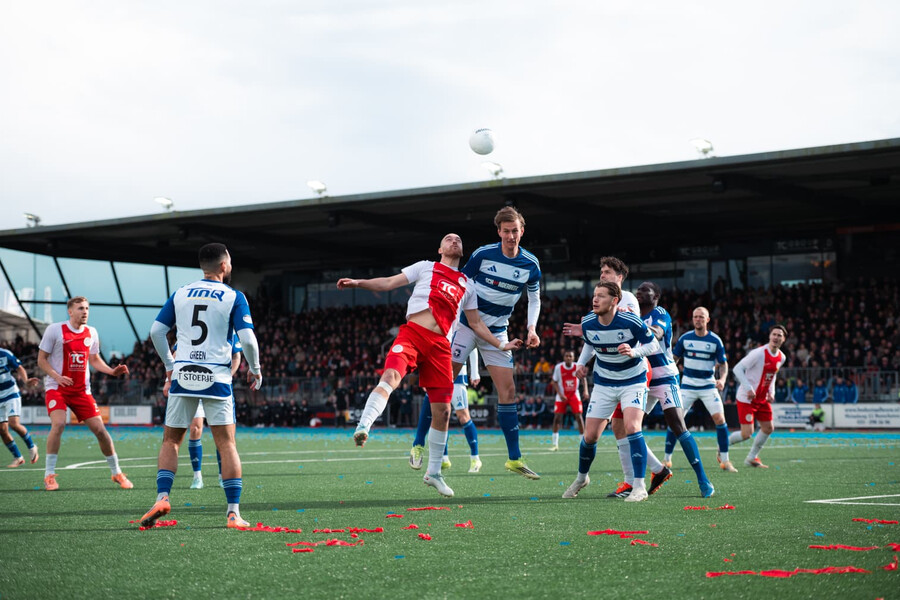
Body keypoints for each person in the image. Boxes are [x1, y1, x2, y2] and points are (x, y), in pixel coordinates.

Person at [340, 233, 522, 498]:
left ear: (462, 251)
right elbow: (389, 282)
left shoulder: (467, 285)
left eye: (459, 240)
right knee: (390, 376)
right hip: (413, 334)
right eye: (449, 239)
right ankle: (364, 425)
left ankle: (434, 473)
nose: (454, 241)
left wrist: (501, 344)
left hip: (440, 347)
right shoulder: (425, 267)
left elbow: (476, 324)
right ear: (440, 249)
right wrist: (358, 283)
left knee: (444, 411)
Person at [140, 243, 263, 529]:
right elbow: (247, 340)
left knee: (171, 441)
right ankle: (233, 513)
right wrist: (255, 369)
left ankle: (162, 497)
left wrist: (170, 366)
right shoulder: (234, 296)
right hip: (216, 377)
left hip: (183, 375)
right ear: (224, 265)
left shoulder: (181, 293)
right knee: (226, 444)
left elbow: (157, 331)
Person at [562, 257, 670, 498]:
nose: (595, 298)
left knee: (631, 427)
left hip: (634, 377)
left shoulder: (629, 306)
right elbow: (592, 338)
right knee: (592, 435)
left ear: (615, 299)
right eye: (595, 294)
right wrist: (581, 364)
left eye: (607, 273)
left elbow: (650, 343)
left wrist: (634, 351)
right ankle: (583, 478)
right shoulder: (590, 319)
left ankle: (638, 485)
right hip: (605, 380)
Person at [449, 207, 542, 479]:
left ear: (522, 231)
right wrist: (450, 324)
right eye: (506, 231)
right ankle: (422, 445)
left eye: (515, 231)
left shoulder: (530, 264)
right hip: (467, 326)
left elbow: (534, 298)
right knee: (442, 383)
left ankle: (514, 459)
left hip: (498, 331)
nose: (511, 236)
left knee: (508, 392)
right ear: (499, 231)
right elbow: (460, 286)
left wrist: (532, 328)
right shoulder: (482, 254)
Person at [37, 296, 133, 491]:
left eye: (87, 308)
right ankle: (49, 475)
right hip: (57, 388)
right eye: (80, 308)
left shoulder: (92, 332)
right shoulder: (55, 330)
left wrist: (111, 371)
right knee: (59, 424)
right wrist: (57, 376)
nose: (85, 312)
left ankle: (116, 472)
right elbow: (41, 359)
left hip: (81, 391)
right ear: (70, 311)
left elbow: (94, 359)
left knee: (101, 431)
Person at [636, 283, 715, 497]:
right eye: (638, 289)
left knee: (678, 426)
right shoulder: (633, 315)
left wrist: (633, 325)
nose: (639, 292)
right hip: (641, 378)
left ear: (656, 296)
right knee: (628, 429)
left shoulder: (660, 313)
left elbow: (656, 333)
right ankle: (655, 471)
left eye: (645, 289)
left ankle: (703, 479)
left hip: (664, 377)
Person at [671, 306, 737, 473]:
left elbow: (723, 364)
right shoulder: (685, 338)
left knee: (720, 419)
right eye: (695, 317)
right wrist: (670, 374)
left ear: (707, 320)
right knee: (675, 419)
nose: (698, 319)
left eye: (701, 317)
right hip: (688, 386)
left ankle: (725, 460)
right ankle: (666, 459)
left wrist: (722, 379)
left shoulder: (715, 340)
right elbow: (674, 358)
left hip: (708, 386)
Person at [409, 349, 483, 474]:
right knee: (439, 415)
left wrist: (475, 372)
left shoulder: (459, 334)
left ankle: (475, 458)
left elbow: (472, 345)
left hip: (457, 377)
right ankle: (443, 458)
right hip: (438, 374)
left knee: (463, 417)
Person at [185, 336, 243, 489]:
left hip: (217, 387)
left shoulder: (228, 329)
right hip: (195, 385)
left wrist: (228, 375)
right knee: (195, 428)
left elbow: (236, 356)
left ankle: (222, 475)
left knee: (223, 434)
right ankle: (197, 477)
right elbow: (177, 352)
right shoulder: (191, 329)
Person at [728, 325, 788, 469]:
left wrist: (771, 392)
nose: (776, 337)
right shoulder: (758, 353)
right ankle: (723, 445)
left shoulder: (782, 357)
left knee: (768, 428)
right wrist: (748, 388)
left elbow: (772, 376)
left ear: (784, 339)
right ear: (769, 336)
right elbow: (737, 369)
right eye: (774, 334)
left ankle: (751, 458)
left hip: (762, 398)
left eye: (779, 335)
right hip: (747, 398)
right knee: (747, 434)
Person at [0, 346, 40, 467]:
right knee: (2, 430)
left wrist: (26, 381)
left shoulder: (4, 354)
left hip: (10, 393)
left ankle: (32, 447)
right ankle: (18, 457)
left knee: (13, 424)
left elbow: (19, 368)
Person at [549, 350, 587, 450]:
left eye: (570, 356)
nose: (568, 358)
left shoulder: (577, 366)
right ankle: (555, 444)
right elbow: (554, 382)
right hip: (562, 395)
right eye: (566, 356)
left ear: (573, 358)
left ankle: (583, 443)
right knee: (557, 418)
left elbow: (583, 378)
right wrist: (560, 394)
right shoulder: (558, 367)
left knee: (579, 417)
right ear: (564, 357)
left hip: (574, 394)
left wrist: (586, 391)